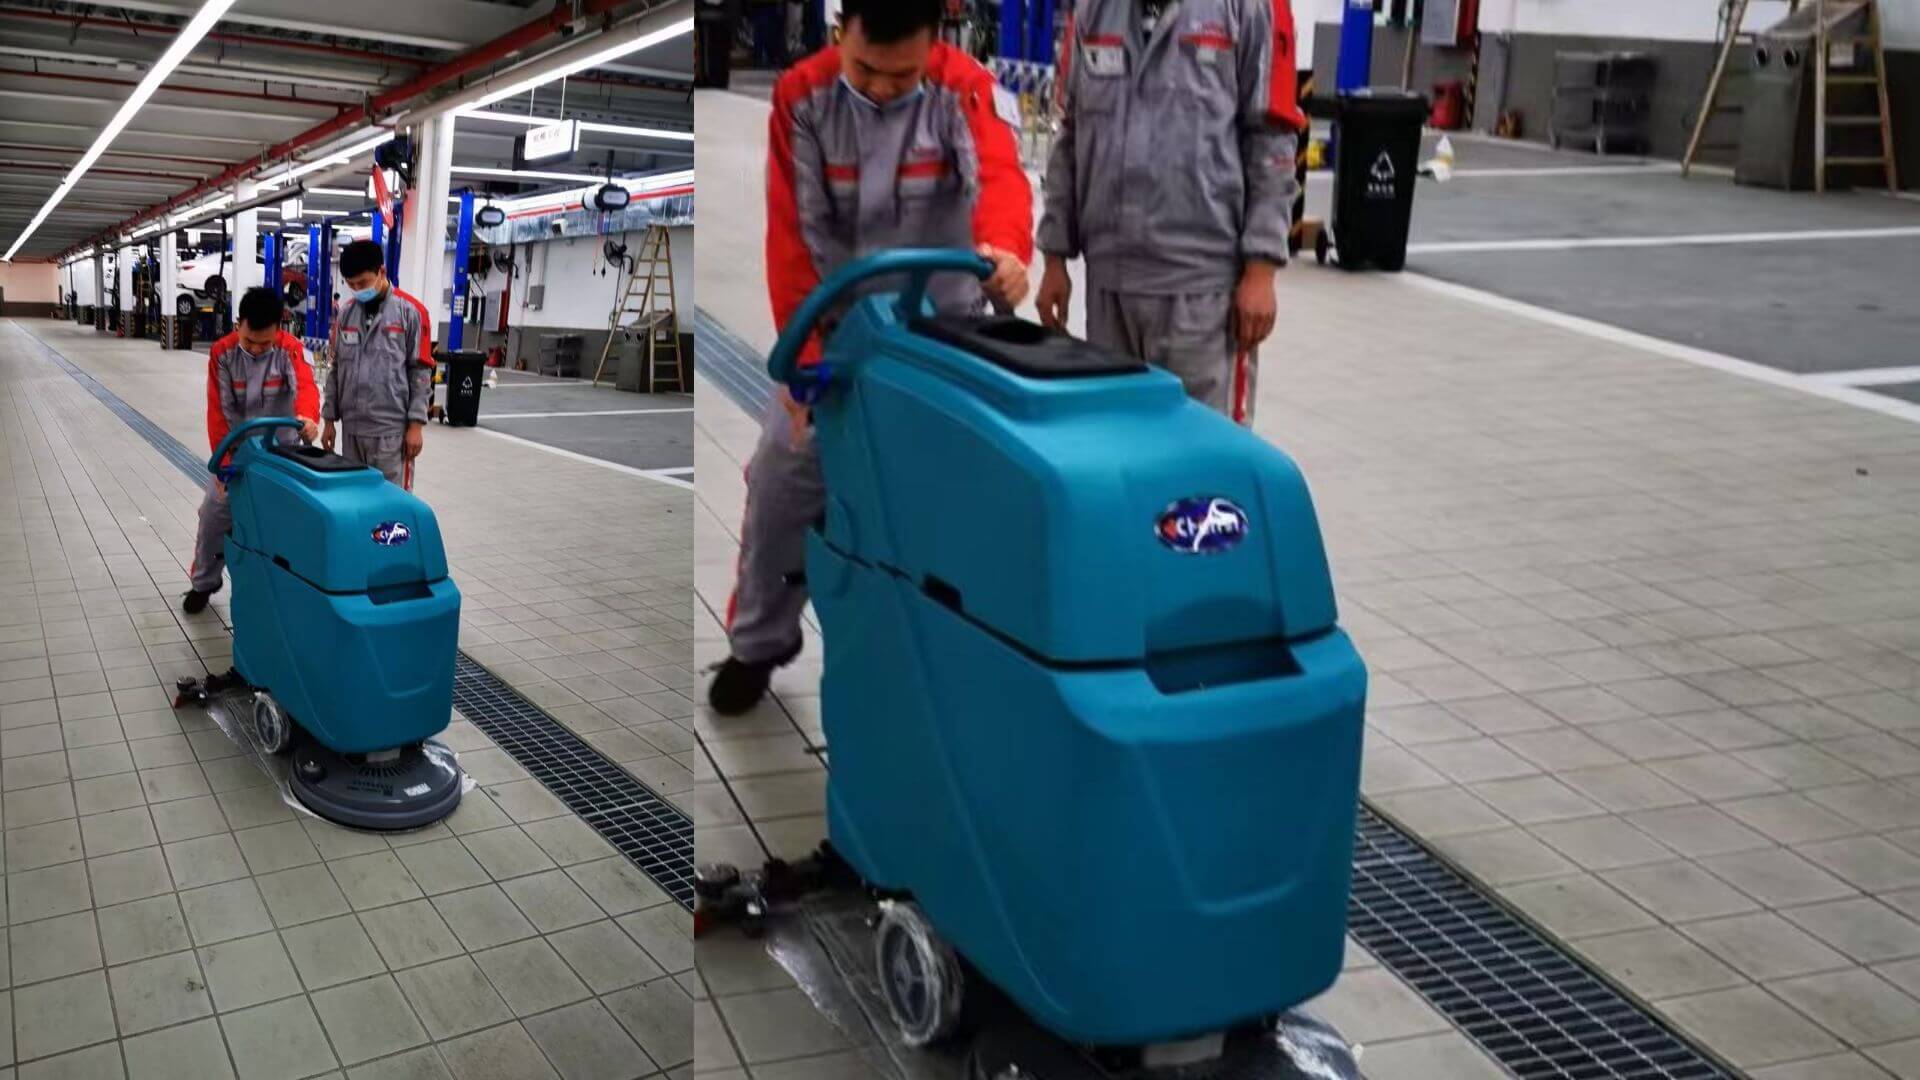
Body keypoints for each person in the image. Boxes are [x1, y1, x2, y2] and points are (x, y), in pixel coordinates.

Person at [708, 0, 1034, 715]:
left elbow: (1002, 179)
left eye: (902, 74)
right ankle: (758, 643)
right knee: (779, 483)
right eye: (866, 70)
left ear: (935, 47)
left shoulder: (968, 87)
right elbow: (793, 241)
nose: (884, 88)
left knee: (964, 503)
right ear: (838, 34)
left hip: (945, 344)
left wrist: (1007, 248)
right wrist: (807, 361)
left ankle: (955, 653)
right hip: (840, 343)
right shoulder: (802, 96)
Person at [1034, 0, 1307, 425]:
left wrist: (1261, 270)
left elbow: (1271, 138)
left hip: (1203, 296)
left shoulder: (1250, 8)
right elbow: (1070, 135)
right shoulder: (1092, 11)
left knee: (1206, 463)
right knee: (1117, 450)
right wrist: (1055, 258)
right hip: (1110, 290)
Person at [183, 287, 320, 614]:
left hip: (283, 457)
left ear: (279, 329)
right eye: (249, 341)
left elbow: (305, 387)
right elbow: (219, 412)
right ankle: (204, 582)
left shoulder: (290, 350)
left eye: (265, 343)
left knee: (287, 524)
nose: (257, 350)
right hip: (238, 457)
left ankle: (285, 589)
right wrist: (225, 465)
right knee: (213, 518)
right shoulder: (222, 353)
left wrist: (308, 418)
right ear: (238, 324)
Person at [320, 239, 433, 489]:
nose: (358, 289)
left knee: (392, 505)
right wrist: (329, 420)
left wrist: (416, 426)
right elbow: (335, 368)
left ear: (381, 272)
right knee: (355, 499)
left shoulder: (411, 312)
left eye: (362, 283)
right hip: (352, 432)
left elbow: (420, 373)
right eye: (351, 285)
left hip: (390, 434)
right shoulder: (346, 313)